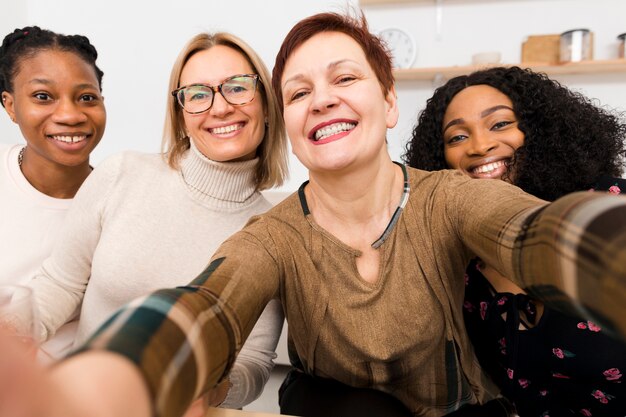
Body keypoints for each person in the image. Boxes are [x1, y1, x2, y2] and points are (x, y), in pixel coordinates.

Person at [2, 12, 626, 417]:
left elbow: (531, 232)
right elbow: (206, 308)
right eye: (299, 90)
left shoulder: (447, 197)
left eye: (344, 78)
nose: (321, 97)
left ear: (388, 104)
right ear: (293, 126)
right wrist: (103, 386)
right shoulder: (272, 232)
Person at [24, 32, 287, 409]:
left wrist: (213, 391)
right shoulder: (122, 173)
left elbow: (254, 363)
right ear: (181, 115)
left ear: (264, 102)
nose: (221, 107)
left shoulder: (274, 230)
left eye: (237, 87)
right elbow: (59, 284)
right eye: (198, 94)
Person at [404, 66, 626, 416]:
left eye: (500, 124)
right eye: (458, 137)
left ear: (542, 130)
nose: (480, 146)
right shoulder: (464, 264)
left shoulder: (609, 208)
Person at [0, 26, 106, 358]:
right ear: (10, 106)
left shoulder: (118, 201)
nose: (70, 115)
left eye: (87, 97)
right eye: (43, 96)